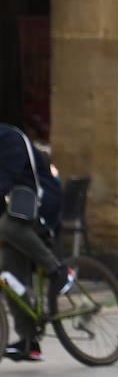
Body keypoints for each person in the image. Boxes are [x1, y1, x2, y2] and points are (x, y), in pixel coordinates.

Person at [1, 123, 68, 362]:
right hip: (17, 212)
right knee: (8, 276)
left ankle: (58, 271)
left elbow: (5, 179)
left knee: (7, 226)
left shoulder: (9, 138)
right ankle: (29, 342)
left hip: (40, 201)